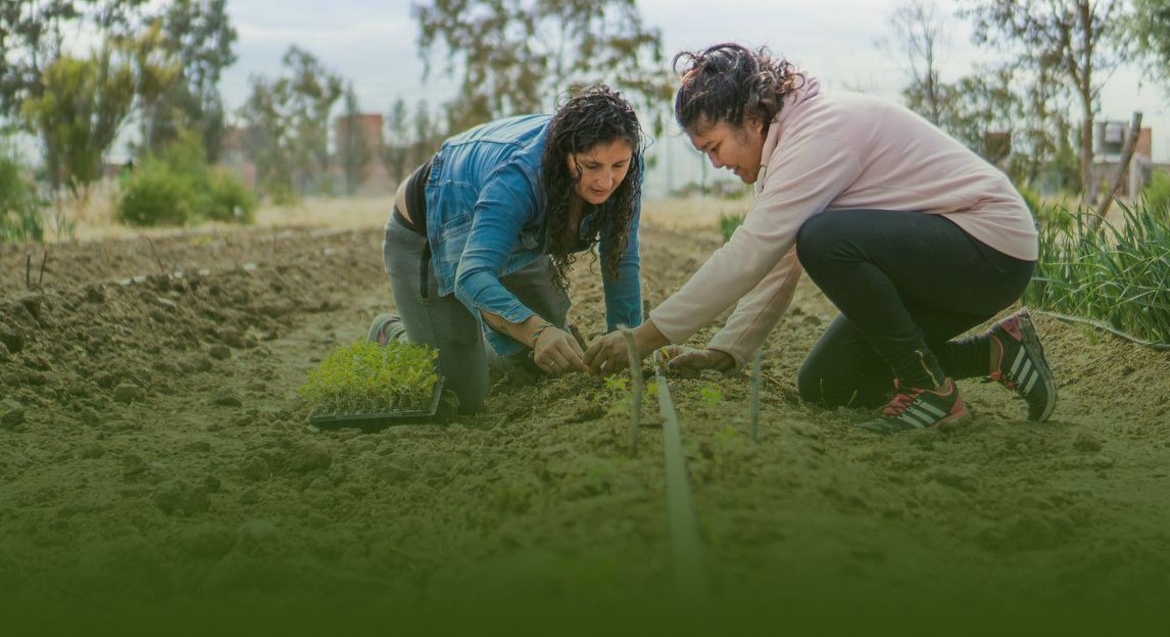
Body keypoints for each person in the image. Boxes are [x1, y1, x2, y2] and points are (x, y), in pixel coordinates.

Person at [584, 43, 1056, 434]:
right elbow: (779, 258)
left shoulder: (820, 134)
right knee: (829, 384)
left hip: (988, 246)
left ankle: (929, 392)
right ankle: (999, 351)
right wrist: (726, 350)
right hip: (944, 260)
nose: (717, 164)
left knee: (824, 237)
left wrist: (645, 337)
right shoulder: (789, 149)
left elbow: (752, 252)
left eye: (715, 147)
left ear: (751, 118)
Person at [368, 85, 645, 414]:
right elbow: (471, 276)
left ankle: (485, 333)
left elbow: (621, 260)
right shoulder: (519, 177)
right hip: (432, 228)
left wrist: (628, 342)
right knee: (460, 397)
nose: (606, 181)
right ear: (565, 153)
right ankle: (395, 333)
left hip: (512, 237)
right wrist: (537, 331)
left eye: (618, 165)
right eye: (592, 165)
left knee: (544, 364)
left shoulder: (625, 171)